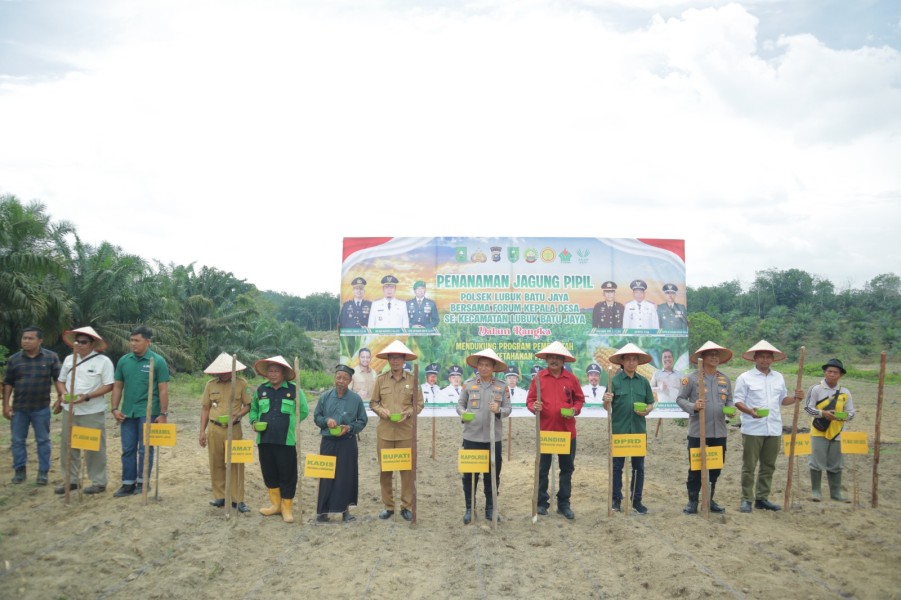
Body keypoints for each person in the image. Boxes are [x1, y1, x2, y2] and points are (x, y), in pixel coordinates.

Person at [733, 340, 803, 513]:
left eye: (768, 357)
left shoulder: (778, 377)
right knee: (749, 466)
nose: (765, 360)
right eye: (761, 357)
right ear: (755, 358)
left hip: (773, 428)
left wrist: (795, 398)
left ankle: (762, 498)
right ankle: (746, 499)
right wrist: (749, 411)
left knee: (768, 465)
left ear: (773, 359)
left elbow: (782, 400)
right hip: (752, 428)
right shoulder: (745, 378)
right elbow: (737, 401)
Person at [526, 341, 585, 519]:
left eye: (557, 357)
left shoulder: (571, 378)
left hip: (567, 432)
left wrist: (574, 410)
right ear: (546, 359)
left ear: (563, 360)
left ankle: (564, 503)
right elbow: (529, 401)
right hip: (545, 431)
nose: (554, 360)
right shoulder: (538, 378)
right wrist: (533, 406)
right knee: (543, 468)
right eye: (550, 357)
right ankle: (542, 503)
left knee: (567, 469)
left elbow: (579, 400)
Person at [53, 326, 115, 494]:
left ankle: (98, 482)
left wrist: (87, 396)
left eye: (83, 342)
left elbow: (109, 385)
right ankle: (71, 480)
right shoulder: (68, 360)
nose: (79, 345)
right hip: (70, 410)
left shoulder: (103, 362)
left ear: (92, 343)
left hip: (91, 410)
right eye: (77, 341)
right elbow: (60, 380)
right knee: (68, 445)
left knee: (93, 446)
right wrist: (63, 394)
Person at [110, 326, 170, 497]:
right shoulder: (124, 361)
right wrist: (114, 408)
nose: (133, 344)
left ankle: (143, 482)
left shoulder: (157, 361)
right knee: (128, 448)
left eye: (137, 340)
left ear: (147, 342)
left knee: (145, 449)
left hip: (148, 412)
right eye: (131, 340)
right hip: (127, 412)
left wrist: (163, 413)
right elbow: (118, 386)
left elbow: (164, 389)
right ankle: (127, 483)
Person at [675, 341, 734, 514]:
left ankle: (709, 499)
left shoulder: (724, 379)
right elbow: (680, 399)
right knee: (696, 467)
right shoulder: (691, 378)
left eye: (717, 354)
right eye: (710, 354)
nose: (714, 357)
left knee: (715, 467)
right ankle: (692, 501)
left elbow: (729, 399)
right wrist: (694, 406)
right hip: (698, 432)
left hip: (719, 431)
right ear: (702, 358)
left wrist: (730, 409)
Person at [250, 355, 309, 523]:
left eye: (276, 371)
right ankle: (275, 505)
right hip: (265, 440)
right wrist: (254, 422)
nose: (273, 374)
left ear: (283, 373)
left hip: (286, 441)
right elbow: (253, 409)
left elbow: (303, 411)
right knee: (269, 473)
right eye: (270, 371)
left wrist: (290, 424)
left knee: (288, 474)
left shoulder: (294, 390)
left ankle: (287, 508)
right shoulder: (261, 390)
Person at [3, 326, 64, 485]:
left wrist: (60, 398)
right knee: (17, 441)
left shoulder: (51, 357)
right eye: (24, 338)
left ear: (40, 340)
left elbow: (58, 379)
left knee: (43, 440)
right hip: (19, 408)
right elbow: (8, 383)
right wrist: (5, 405)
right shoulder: (14, 359)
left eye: (30, 338)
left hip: (41, 408)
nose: (26, 341)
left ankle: (43, 472)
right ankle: (19, 470)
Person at [369, 340, 423, 521]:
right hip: (384, 432)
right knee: (385, 471)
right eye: (392, 358)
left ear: (404, 359)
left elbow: (419, 404)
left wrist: (408, 413)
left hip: (405, 432)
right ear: (388, 360)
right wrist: (380, 411)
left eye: (398, 358)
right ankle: (388, 506)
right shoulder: (381, 380)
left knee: (406, 471)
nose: (395, 361)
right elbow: (373, 402)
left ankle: (406, 506)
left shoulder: (413, 380)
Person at [457, 349, 511, 523]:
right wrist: (463, 412)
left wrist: (499, 410)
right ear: (477, 366)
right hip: (471, 437)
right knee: (469, 476)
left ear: (494, 367)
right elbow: (460, 404)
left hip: (493, 439)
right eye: (481, 364)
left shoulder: (502, 386)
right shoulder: (468, 384)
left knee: (492, 475)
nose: (484, 368)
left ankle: (490, 508)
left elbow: (508, 409)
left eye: (488, 365)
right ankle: (469, 508)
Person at [603, 343, 655, 514]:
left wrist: (647, 410)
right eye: (629, 359)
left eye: (635, 359)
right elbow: (606, 406)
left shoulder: (644, 382)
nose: (632, 362)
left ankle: (636, 500)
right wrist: (606, 400)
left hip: (638, 431)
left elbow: (650, 404)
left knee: (638, 467)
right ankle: (616, 500)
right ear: (622, 361)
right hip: (620, 430)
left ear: (638, 362)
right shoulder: (614, 381)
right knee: (617, 467)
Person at [314, 364, 368, 522]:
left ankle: (345, 511)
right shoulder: (325, 397)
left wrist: (350, 427)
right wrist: (326, 420)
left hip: (347, 441)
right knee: (325, 474)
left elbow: (362, 421)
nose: (341, 381)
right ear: (334, 378)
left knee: (346, 475)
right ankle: (322, 512)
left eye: (345, 378)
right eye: (339, 377)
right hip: (328, 441)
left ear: (350, 380)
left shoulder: (355, 399)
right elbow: (317, 417)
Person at [199, 353, 252, 513]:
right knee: (216, 462)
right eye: (219, 370)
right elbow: (205, 408)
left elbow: (248, 405)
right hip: (214, 428)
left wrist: (238, 415)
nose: (222, 373)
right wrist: (202, 431)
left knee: (236, 462)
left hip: (234, 428)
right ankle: (220, 496)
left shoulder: (241, 384)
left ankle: (238, 499)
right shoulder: (210, 385)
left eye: (226, 370)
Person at [804, 358, 855, 503]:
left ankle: (836, 492)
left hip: (838, 431)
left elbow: (851, 412)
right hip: (818, 430)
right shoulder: (816, 389)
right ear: (824, 372)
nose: (832, 375)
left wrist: (843, 416)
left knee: (836, 463)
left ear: (841, 375)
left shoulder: (845, 392)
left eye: (835, 372)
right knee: (816, 461)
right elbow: (808, 408)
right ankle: (816, 491)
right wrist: (822, 414)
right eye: (829, 371)